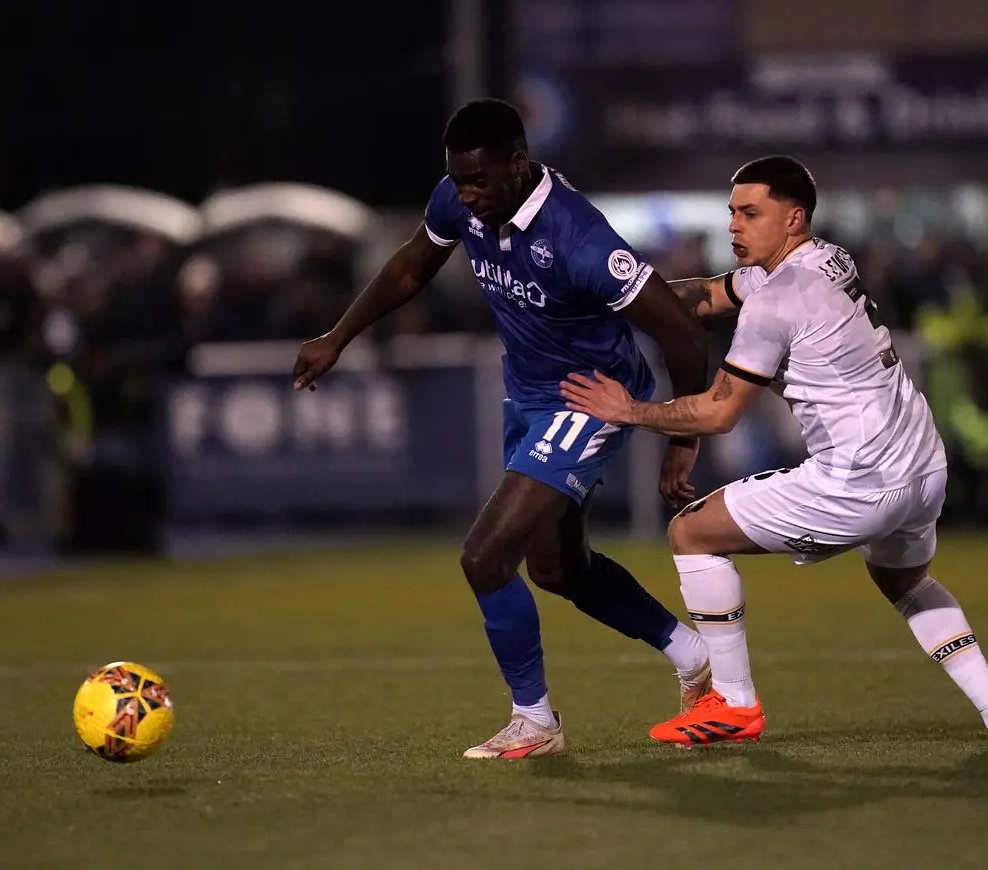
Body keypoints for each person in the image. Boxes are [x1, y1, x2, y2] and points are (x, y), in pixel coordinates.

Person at [560, 155, 988, 751]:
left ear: (792, 218)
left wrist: (628, 410)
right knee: (906, 582)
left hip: (860, 480)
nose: (734, 226)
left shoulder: (776, 299)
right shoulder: (824, 259)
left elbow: (719, 411)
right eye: (731, 214)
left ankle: (735, 704)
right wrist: (622, 295)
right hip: (923, 465)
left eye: (750, 213)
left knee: (691, 533)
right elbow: (710, 296)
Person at [292, 99, 712, 759]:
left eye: (479, 181)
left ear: (518, 164)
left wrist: (683, 434)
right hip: (529, 398)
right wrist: (337, 336)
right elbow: (409, 268)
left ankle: (535, 721)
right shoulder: (462, 198)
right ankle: (695, 656)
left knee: (485, 556)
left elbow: (683, 334)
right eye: (457, 180)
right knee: (556, 568)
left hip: (588, 398)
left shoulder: (579, 237)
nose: (466, 195)